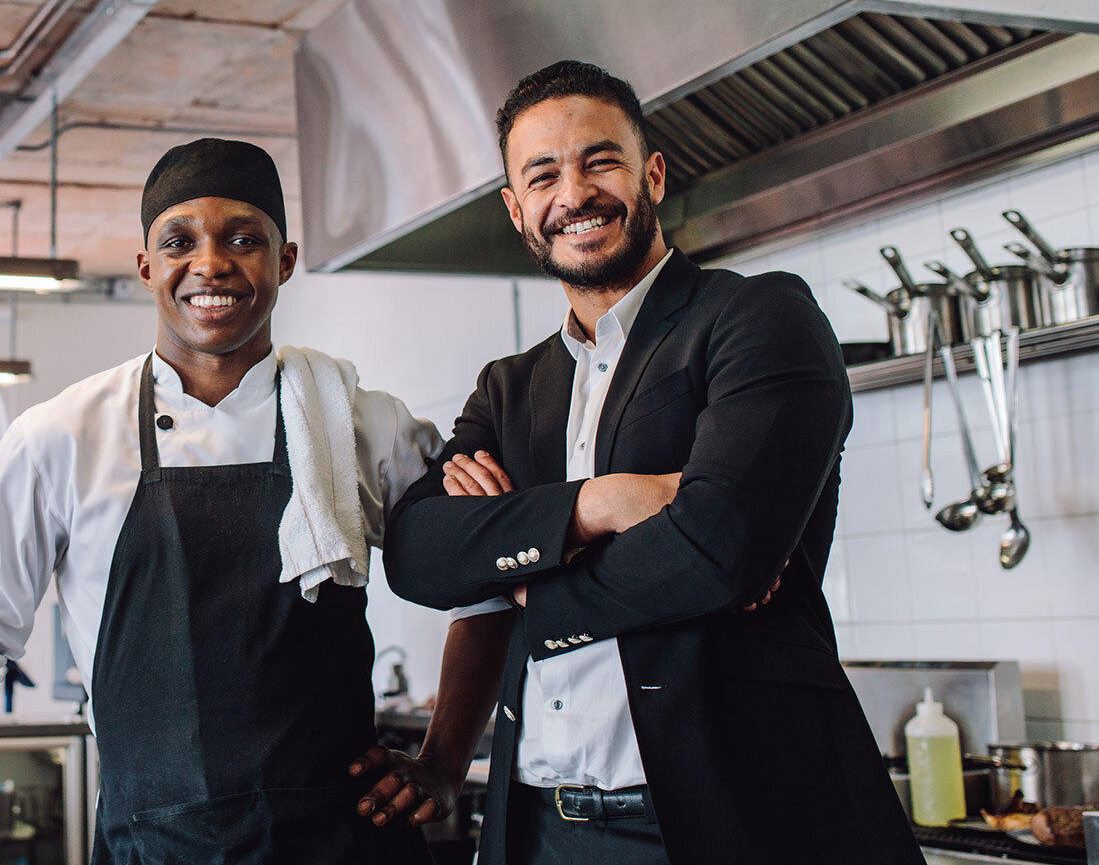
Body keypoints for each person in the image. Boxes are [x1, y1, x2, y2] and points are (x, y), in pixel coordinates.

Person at [381, 61, 922, 865]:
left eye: (600, 160)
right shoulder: (510, 387)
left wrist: (525, 579)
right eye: (543, 175)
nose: (575, 193)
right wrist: (593, 508)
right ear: (516, 209)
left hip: (734, 819)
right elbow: (419, 553)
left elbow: (716, 552)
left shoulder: (758, 319)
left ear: (653, 174)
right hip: (536, 830)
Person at [0, 138, 499, 865]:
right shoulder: (61, 438)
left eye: (244, 239)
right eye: (180, 241)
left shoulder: (360, 423)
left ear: (285, 261)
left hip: (345, 844)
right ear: (146, 266)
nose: (211, 264)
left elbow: (486, 583)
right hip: (154, 848)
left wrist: (443, 762)